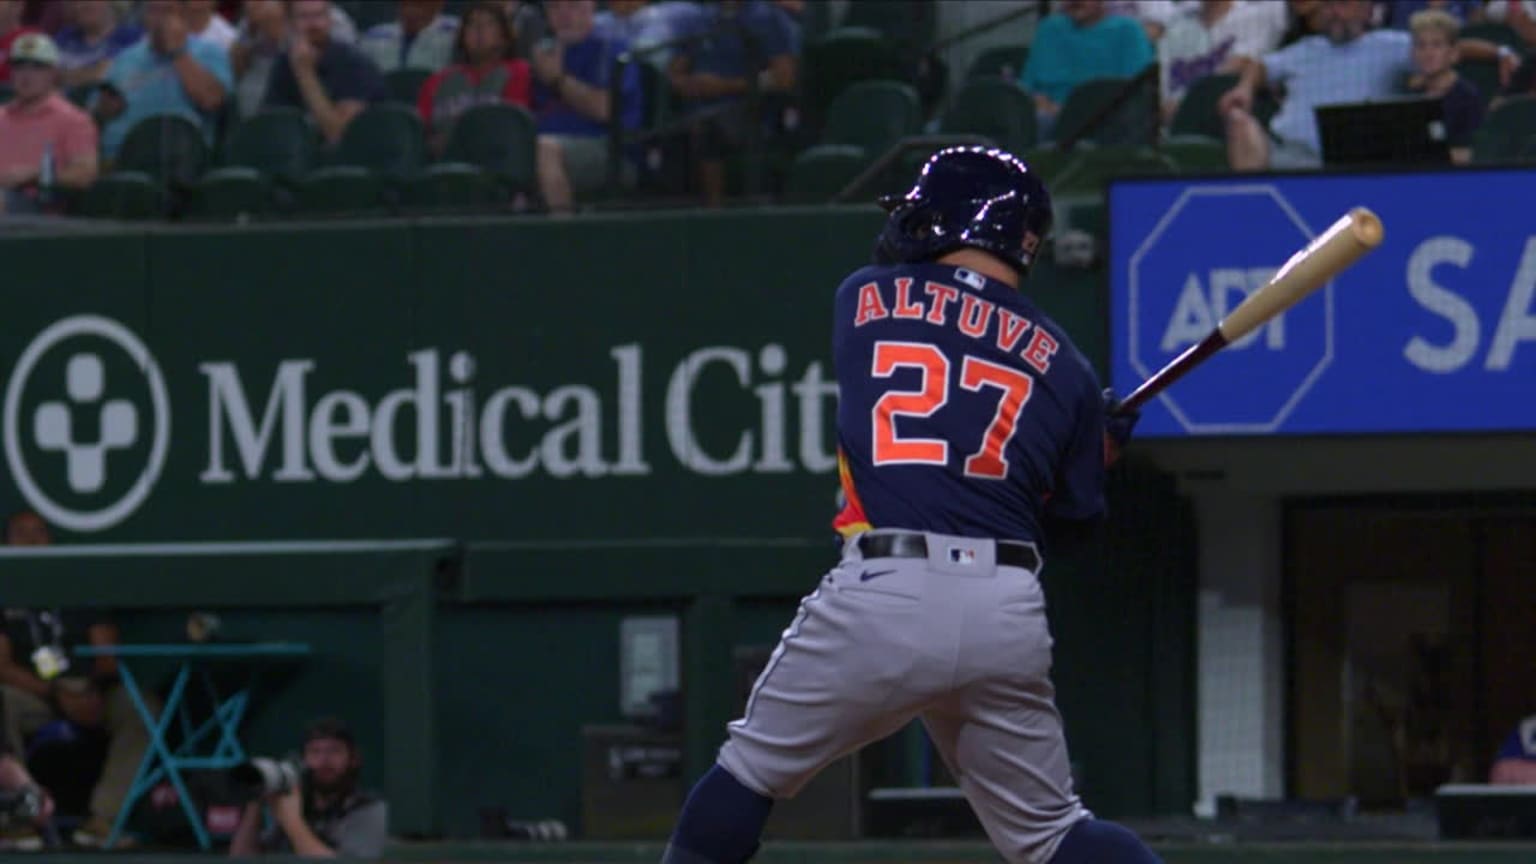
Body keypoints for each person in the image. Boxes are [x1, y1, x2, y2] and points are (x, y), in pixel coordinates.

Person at [657, 146, 1154, 864]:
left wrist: (1076, 447)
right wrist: (1090, 450)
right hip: (1005, 609)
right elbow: (1072, 528)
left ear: (949, 218)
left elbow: (942, 399)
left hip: (889, 589)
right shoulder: (1069, 368)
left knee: (749, 773)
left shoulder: (864, 296)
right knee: (1055, 834)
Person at [1218, 0, 1516, 170]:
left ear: (1366, 9)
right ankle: (1251, 211)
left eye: (1345, 4)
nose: (1335, 12)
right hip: (1292, 157)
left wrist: (1500, 53)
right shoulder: (1304, 48)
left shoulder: (1394, 46)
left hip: (1360, 160)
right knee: (1239, 122)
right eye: (1330, 5)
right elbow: (1261, 66)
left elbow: (1449, 47)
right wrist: (1244, 88)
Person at [0, 511, 148, 849]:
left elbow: (107, 657)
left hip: (88, 691)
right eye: (21, 534)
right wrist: (56, 693)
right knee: (0, 699)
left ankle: (103, 819)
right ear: (6, 544)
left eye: (40, 533)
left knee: (141, 707)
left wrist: (85, 690)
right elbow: (2, 664)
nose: (33, 541)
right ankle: (17, 814)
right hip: (36, 694)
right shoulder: (5, 591)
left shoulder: (76, 584)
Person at [530, 0, 642, 214]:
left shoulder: (613, 49)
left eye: (572, 6)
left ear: (591, 8)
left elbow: (604, 109)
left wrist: (557, 80)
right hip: (546, 141)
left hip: (609, 149)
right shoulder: (544, 53)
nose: (563, 15)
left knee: (544, 149)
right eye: (555, 7)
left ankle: (564, 238)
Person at [228, 717, 389, 859]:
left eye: (334, 751)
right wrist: (255, 804)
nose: (323, 761)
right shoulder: (302, 809)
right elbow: (241, 858)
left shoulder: (370, 811)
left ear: (354, 759)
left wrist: (293, 822)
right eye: (314, 752)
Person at [94, 0, 232, 163]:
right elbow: (97, 114)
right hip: (118, 155)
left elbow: (212, 100)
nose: (159, 20)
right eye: (154, 11)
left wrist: (178, 53)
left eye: (167, 12)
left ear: (183, 16)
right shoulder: (125, 58)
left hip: (178, 157)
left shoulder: (208, 51)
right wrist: (105, 108)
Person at [1020, 0, 1154, 140]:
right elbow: (1029, 90)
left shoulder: (1128, 31)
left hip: (1108, 121)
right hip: (1052, 120)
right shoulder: (1048, 29)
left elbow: (1138, 94)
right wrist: (1043, 105)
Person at [262, 0, 387, 145]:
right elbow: (269, 125)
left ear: (330, 20)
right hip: (298, 155)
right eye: (304, 17)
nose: (313, 24)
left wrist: (305, 73)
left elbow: (339, 135)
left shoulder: (354, 63)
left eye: (319, 15)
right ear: (291, 24)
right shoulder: (284, 64)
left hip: (358, 156)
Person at [0, 32, 98, 216]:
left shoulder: (73, 120)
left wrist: (36, 175)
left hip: (41, 210)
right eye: (19, 66)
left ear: (53, 73)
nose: (26, 75)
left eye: (37, 67)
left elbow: (85, 174)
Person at [416, 0, 531, 153]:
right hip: (442, 163)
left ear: (504, 36)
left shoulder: (519, 72)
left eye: (489, 24)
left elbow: (512, 127)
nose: (479, 29)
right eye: (471, 24)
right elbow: (418, 132)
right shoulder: (436, 81)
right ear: (462, 36)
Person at [1404, 9, 1483, 164]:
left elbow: (1471, 153)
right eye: (1421, 45)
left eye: (1437, 45)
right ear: (1413, 53)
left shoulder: (1467, 97)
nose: (1428, 53)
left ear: (1453, 53)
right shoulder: (1408, 95)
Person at [53, 0, 142, 89]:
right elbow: (47, 74)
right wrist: (93, 72)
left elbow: (109, 75)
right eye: (77, 1)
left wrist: (66, 75)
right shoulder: (66, 35)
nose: (83, 5)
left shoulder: (131, 37)